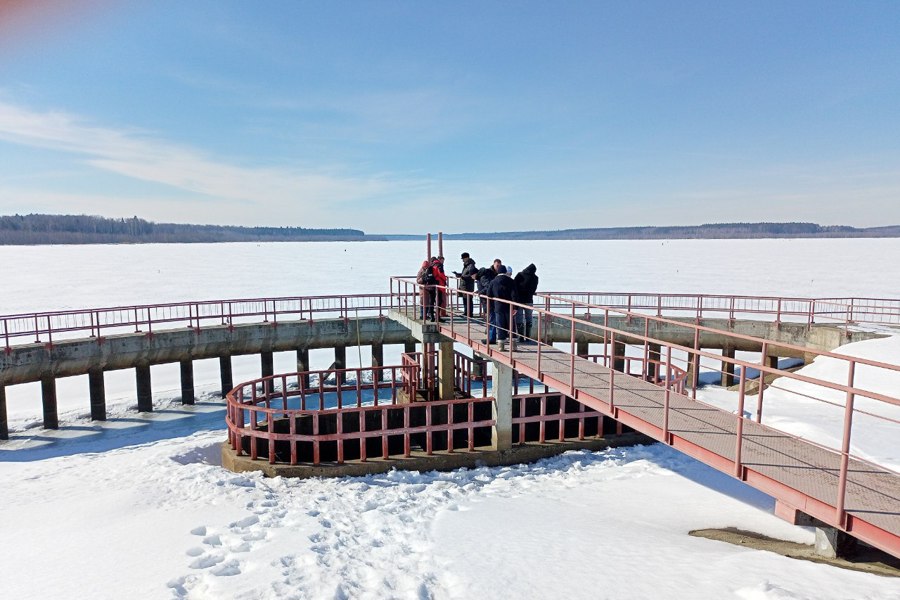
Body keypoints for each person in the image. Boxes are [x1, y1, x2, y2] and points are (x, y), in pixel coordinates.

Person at [487, 265, 518, 351]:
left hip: (498, 306)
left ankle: (501, 345)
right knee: (511, 325)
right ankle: (513, 345)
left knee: (500, 325)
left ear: (498, 272)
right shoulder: (511, 281)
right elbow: (514, 295)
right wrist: (516, 307)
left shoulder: (493, 281)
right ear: (505, 272)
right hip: (509, 306)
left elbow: (489, 294)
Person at [514, 263, 539, 343]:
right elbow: (533, 289)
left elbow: (514, 286)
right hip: (529, 300)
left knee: (519, 318)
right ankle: (528, 337)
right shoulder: (535, 278)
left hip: (519, 300)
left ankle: (520, 337)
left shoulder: (520, 275)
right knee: (529, 319)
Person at [453, 252, 478, 317]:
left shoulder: (471, 265)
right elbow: (465, 274)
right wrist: (459, 275)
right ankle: (466, 312)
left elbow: (471, 275)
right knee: (465, 299)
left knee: (468, 300)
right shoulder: (466, 265)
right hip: (464, 285)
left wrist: (463, 277)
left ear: (467, 258)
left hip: (468, 286)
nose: (462, 260)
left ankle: (469, 313)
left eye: (463, 258)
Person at [433, 256, 449, 320]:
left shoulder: (433, 264)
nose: (443, 262)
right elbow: (441, 274)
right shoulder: (439, 265)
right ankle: (438, 316)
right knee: (439, 301)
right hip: (439, 284)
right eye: (442, 260)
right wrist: (445, 280)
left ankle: (436, 315)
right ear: (439, 260)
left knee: (435, 300)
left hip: (435, 284)